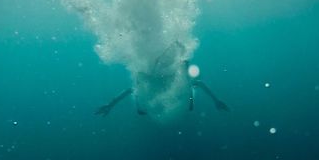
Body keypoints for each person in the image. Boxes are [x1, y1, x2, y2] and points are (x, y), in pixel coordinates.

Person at [94, 58, 229, 117]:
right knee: (140, 95)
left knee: (188, 90)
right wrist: (110, 105)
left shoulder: (177, 78)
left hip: (182, 104)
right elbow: (131, 90)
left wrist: (216, 100)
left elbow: (198, 83)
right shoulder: (151, 79)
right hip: (151, 107)